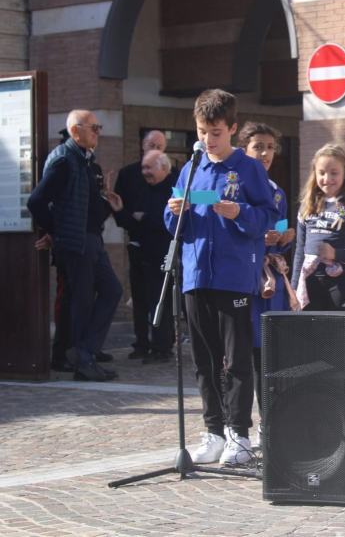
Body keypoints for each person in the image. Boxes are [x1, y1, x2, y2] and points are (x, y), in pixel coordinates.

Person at [164, 89, 278, 466]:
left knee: (237, 359)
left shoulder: (248, 168)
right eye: (201, 132)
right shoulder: (191, 167)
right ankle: (213, 430)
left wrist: (238, 212)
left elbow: (266, 217)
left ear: (231, 129)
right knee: (204, 359)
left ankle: (240, 435)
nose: (207, 140)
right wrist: (173, 211)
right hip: (196, 274)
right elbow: (173, 225)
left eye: (215, 132)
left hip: (233, 275)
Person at [27, 110, 123, 382]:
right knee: (80, 302)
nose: (99, 132)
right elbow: (36, 201)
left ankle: (84, 352)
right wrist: (56, 232)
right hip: (77, 243)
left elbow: (87, 210)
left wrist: (108, 204)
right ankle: (82, 361)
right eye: (94, 127)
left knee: (112, 290)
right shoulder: (64, 161)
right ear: (75, 131)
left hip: (91, 240)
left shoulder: (85, 161)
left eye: (100, 127)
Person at [236, 121, 296, 445]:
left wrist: (284, 237)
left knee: (268, 359)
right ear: (243, 148)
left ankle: (268, 426)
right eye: (258, 146)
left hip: (269, 285)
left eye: (270, 147)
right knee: (237, 358)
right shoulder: (233, 184)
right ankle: (234, 432)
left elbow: (284, 234)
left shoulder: (278, 192)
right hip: (240, 280)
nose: (265, 153)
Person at [290, 144, 345, 311]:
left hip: (343, 282)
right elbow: (299, 250)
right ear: (314, 174)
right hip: (310, 282)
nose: (327, 178)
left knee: (343, 335)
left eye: (334, 173)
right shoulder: (306, 206)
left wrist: (336, 254)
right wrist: (294, 286)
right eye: (321, 173)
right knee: (313, 335)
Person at [111, 149, 178, 363]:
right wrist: (120, 210)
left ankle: (162, 347)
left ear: (164, 168)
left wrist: (144, 218)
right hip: (139, 253)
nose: (144, 172)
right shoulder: (142, 190)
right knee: (140, 301)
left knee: (160, 302)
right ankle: (142, 344)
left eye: (149, 168)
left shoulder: (174, 189)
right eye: (143, 168)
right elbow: (131, 223)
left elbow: (168, 224)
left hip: (161, 255)